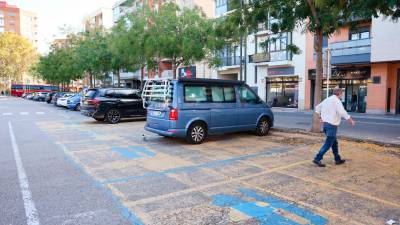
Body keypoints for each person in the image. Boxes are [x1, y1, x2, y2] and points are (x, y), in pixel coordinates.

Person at [313, 86, 356, 167]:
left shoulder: (327, 99)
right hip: (331, 126)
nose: (341, 96)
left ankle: (337, 159)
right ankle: (317, 158)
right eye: (341, 94)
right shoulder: (336, 101)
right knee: (328, 143)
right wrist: (351, 120)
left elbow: (317, 108)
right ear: (339, 93)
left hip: (326, 125)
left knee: (334, 142)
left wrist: (320, 117)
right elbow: (342, 112)